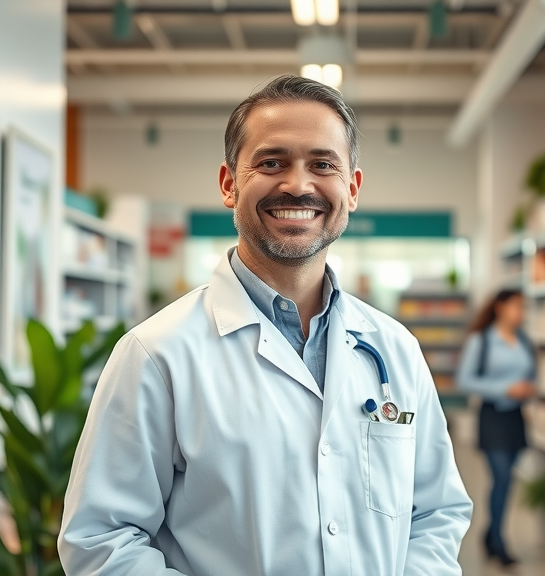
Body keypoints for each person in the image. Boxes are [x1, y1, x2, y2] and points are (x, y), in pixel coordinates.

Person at [58, 75, 473, 576]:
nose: (298, 185)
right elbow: (102, 539)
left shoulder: (395, 349)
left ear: (352, 188)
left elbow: (435, 512)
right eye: (272, 162)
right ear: (229, 183)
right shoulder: (156, 354)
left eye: (322, 164)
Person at [455, 289, 536, 567]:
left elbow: (530, 372)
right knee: (501, 477)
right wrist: (505, 388)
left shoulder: (522, 339)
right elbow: (465, 381)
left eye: (523, 308)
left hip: (516, 417)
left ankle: (490, 534)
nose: (520, 313)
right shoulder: (482, 341)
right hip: (492, 416)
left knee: (507, 479)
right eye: (516, 307)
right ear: (500, 307)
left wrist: (526, 390)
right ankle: (499, 541)